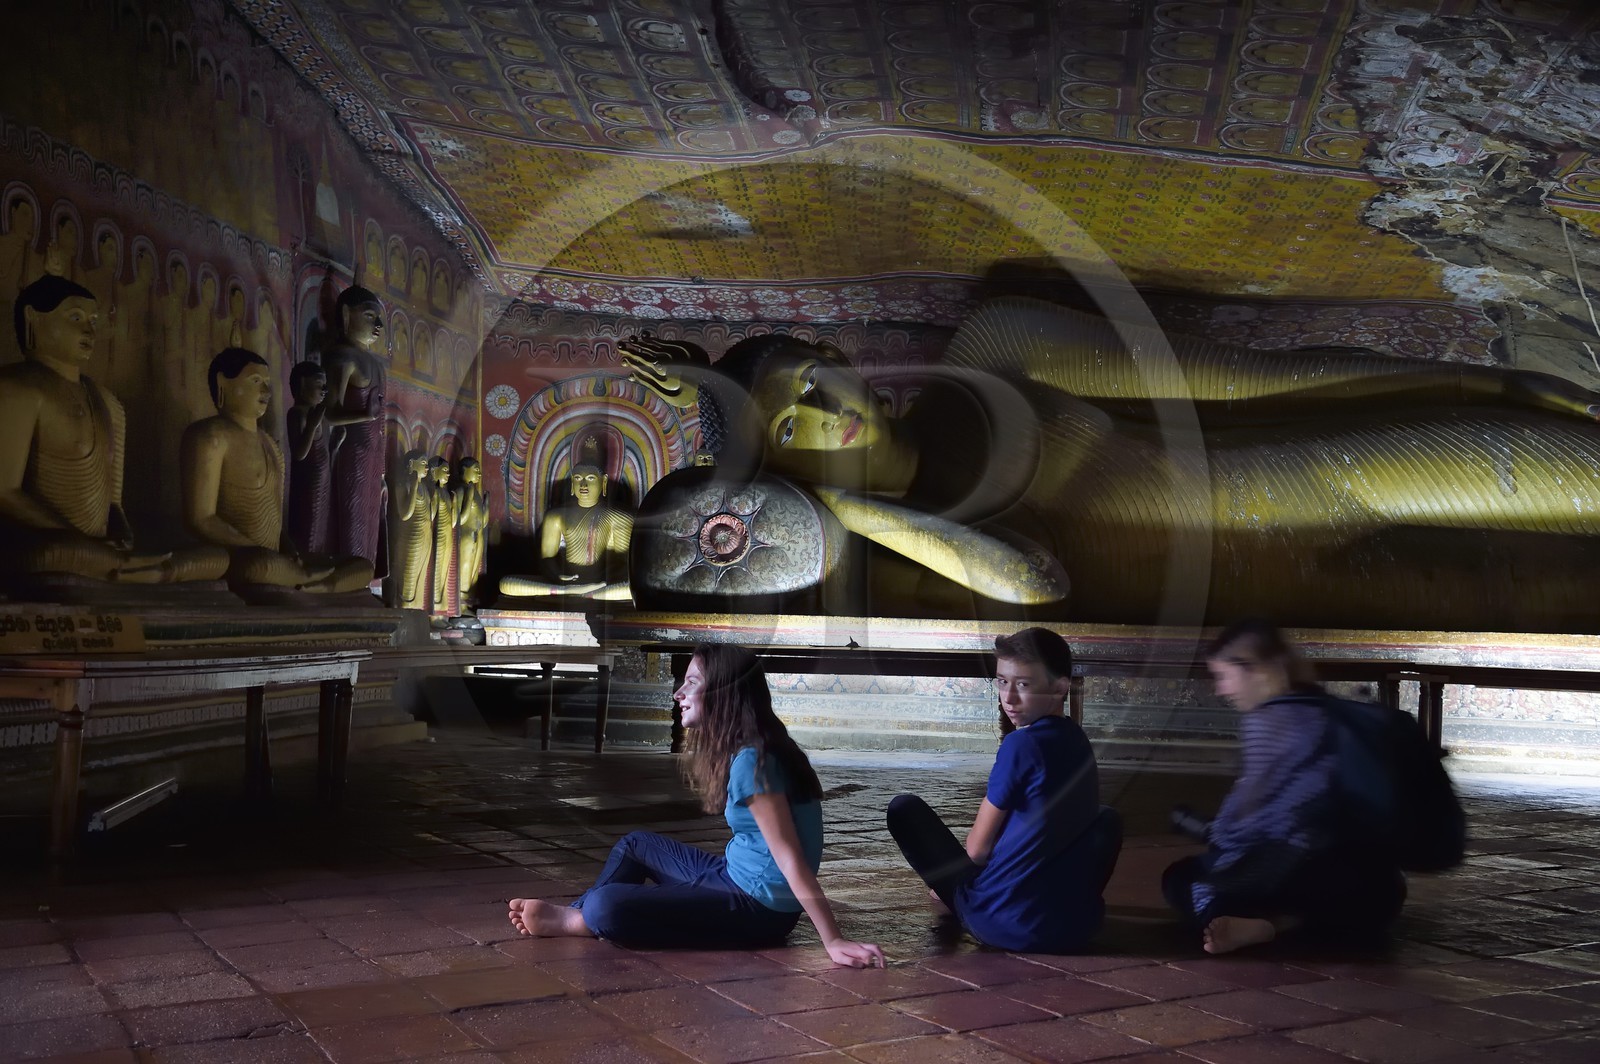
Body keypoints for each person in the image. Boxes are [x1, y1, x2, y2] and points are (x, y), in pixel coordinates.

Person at [624, 297, 1600, 631]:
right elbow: (1030, 582)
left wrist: (1482, 387)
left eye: (809, 381)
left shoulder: (989, 353)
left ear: (841, 364)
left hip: (1334, 470)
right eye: (791, 431)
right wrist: (815, 500)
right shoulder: (910, 565)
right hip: (1325, 593)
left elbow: (1249, 378)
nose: (822, 414)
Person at [508, 643, 884, 966]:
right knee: (636, 844)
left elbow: (789, 858)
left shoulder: (754, 761)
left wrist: (832, 940)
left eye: (691, 682)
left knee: (608, 905)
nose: (678, 693)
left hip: (759, 910)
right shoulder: (755, 749)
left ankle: (581, 919)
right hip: (733, 876)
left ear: (722, 693)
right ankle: (578, 914)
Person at [1161, 618, 1407, 954]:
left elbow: (1246, 828)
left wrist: (1209, 830)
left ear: (1255, 670)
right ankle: (1289, 923)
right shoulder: (1331, 711)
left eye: (1223, 676)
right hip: (1371, 886)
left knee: (1181, 877)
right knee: (1366, 890)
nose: (1222, 690)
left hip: (1295, 875)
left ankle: (1248, 921)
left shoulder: (1270, 720)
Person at [886, 628, 1122, 953]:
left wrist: (952, 884)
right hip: (1076, 928)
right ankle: (1061, 904)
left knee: (904, 809)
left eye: (1023, 684)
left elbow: (978, 851)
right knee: (1107, 819)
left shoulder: (1020, 744)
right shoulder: (1078, 740)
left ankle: (964, 897)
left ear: (1060, 687)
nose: (1008, 698)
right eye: (1001, 681)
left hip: (999, 922)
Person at [0, 271, 226, 584]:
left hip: (97, 549)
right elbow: (5, 492)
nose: (90, 329)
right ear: (33, 318)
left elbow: (114, 504)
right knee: (55, 552)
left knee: (220, 558)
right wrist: (75, 537)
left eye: (94, 319)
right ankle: (137, 571)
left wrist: (122, 534)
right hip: (53, 546)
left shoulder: (107, 402)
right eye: (76, 317)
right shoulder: (16, 388)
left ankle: (136, 569)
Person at [180, 348, 373, 593]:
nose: (266, 392)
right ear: (223, 383)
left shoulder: (270, 445)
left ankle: (309, 583)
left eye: (268, 383)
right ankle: (310, 583)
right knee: (260, 566)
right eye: (256, 381)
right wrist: (253, 548)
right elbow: (200, 519)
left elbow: (274, 521)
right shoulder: (210, 436)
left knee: (362, 566)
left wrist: (289, 550)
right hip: (244, 557)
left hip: (277, 560)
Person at [323, 285, 387, 565]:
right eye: (371, 316)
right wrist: (365, 417)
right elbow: (330, 413)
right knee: (353, 518)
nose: (378, 325)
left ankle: (362, 580)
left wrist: (383, 470)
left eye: (379, 319)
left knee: (372, 519)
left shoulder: (376, 364)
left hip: (373, 455)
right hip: (352, 451)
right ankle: (348, 578)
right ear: (347, 315)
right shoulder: (342, 357)